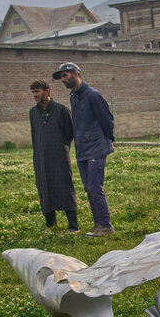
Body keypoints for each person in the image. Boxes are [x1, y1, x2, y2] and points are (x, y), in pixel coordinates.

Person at [53, 62, 115, 238]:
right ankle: (98, 223)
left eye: (65, 75)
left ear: (75, 74)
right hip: (82, 149)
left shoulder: (92, 95)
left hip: (96, 147)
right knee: (88, 188)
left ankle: (105, 225)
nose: (63, 80)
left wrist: (109, 139)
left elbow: (106, 119)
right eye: (61, 77)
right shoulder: (74, 97)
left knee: (95, 187)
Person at [28, 79, 79, 233]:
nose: (35, 95)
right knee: (45, 187)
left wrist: (60, 147)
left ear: (47, 91)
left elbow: (70, 133)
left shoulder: (61, 110)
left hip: (59, 157)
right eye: (33, 92)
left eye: (37, 91)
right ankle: (51, 225)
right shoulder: (33, 112)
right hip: (41, 158)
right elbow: (34, 134)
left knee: (65, 187)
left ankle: (73, 225)